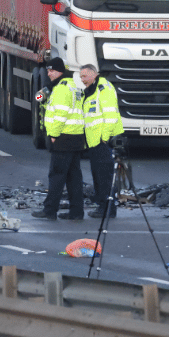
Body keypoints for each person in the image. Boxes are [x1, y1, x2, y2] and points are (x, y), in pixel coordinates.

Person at [32, 57, 86, 221]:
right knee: (74, 177)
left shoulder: (61, 89)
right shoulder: (72, 86)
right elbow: (37, 98)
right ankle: (76, 212)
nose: (49, 74)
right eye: (48, 70)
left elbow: (61, 114)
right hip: (76, 137)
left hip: (63, 137)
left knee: (56, 175)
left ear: (60, 71)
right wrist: (46, 90)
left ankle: (50, 210)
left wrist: (54, 135)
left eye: (52, 71)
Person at [81, 63, 125, 219]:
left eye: (85, 76)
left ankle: (107, 209)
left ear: (94, 74)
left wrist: (104, 139)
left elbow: (110, 116)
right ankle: (103, 207)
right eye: (81, 77)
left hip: (103, 142)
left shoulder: (103, 89)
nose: (82, 79)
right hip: (94, 142)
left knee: (104, 178)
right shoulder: (92, 90)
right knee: (99, 176)